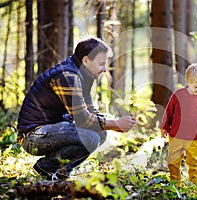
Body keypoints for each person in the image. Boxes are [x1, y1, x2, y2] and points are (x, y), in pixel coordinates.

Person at [17, 37, 136, 180]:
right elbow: (83, 119)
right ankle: (47, 167)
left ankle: (62, 171)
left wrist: (112, 124)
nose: (104, 69)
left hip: (50, 131)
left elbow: (91, 111)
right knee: (90, 137)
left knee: (100, 133)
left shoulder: (82, 76)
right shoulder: (68, 76)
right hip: (33, 136)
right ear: (86, 61)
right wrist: (115, 124)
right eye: (101, 64)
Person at [160, 63, 197, 186]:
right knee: (173, 161)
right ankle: (175, 183)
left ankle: (194, 185)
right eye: (196, 87)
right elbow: (169, 112)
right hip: (176, 136)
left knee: (194, 162)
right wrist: (164, 127)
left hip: (195, 138)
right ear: (187, 82)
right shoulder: (178, 95)